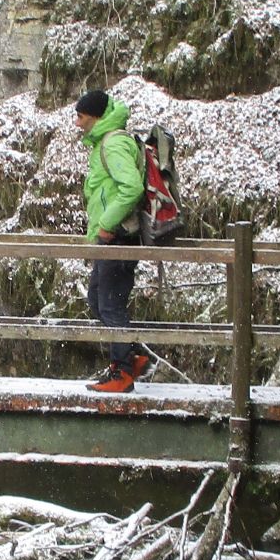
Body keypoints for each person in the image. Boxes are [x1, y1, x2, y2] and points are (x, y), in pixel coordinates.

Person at [74, 87, 154, 393]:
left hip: (119, 236)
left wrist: (107, 225)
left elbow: (131, 188)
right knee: (98, 300)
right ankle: (132, 358)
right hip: (112, 237)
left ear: (96, 117)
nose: (77, 123)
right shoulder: (105, 142)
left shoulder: (114, 143)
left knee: (109, 304)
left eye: (81, 116)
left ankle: (122, 372)